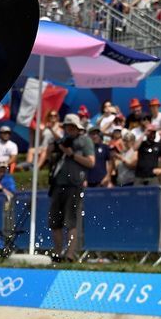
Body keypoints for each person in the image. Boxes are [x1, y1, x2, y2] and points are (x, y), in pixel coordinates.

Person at [46, 111, 95, 259]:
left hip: (74, 185)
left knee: (71, 222)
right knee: (55, 222)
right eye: (68, 127)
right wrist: (52, 148)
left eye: (73, 127)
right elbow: (49, 157)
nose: (70, 130)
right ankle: (58, 252)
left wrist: (72, 154)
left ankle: (70, 254)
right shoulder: (61, 142)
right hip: (57, 184)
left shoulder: (85, 141)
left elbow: (91, 162)